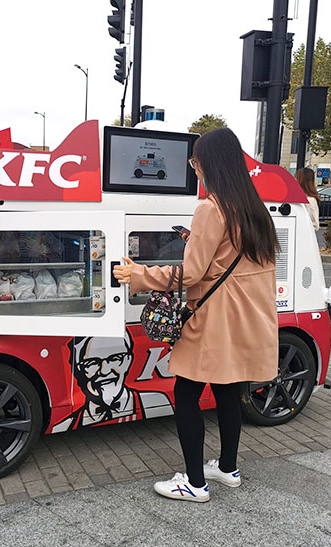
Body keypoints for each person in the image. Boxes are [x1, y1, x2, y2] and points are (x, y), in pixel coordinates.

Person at [113, 128, 279, 503]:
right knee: (228, 392)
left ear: (209, 163)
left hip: (212, 323)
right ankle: (227, 468)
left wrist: (138, 274)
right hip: (244, 321)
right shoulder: (254, 209)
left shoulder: (210, 207)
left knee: (186, 394)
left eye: (196, 160)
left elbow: (191, 274)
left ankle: (194, 483)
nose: (195, 167)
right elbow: (234, 265)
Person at [52, 330, 173, 432]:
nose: (104, 371)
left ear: (128, 360)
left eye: (115, 359)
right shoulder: (66, 423)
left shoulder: (158, 398)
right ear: (79, 369)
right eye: (92, 363)